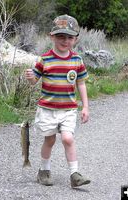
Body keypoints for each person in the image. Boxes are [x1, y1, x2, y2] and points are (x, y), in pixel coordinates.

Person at [25, 14, 90, 188]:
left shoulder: (77, 60)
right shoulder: (45, 59)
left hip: (69, 109)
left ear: (76, 39)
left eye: (70, 37)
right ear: (51, 36)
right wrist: (31, 77)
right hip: (48, 109)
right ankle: (43, 171)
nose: (65, 40)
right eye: (61, 36)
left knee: (68, 138)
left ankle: (74, 174)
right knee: (50, 140)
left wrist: (85, 106)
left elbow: (81, 83)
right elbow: (34, 80)